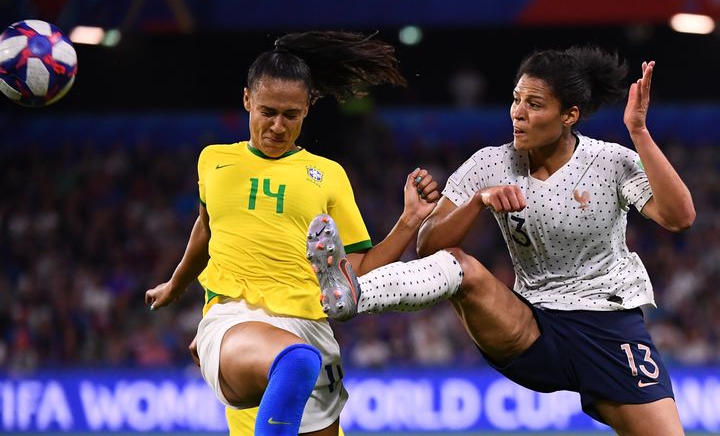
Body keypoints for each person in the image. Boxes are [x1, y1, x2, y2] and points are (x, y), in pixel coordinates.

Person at [310, 46, 695, 435]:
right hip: (531, 325)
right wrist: (478, 202)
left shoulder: (611, 161)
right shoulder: (490, 164)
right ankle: (354, 293)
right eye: (516, 99)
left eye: (534, 104)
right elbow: (427, 244)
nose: (518, 112)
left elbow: (680, 217)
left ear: (569, 116)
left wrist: (639, 132)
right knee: (459, 266)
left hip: (609, 327)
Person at [144, 30, 443, 436]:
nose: (278, 126)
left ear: (308, 109)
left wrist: (409, 220)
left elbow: (359, 266)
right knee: (295, 361)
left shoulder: (328, 175)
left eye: (291, 115)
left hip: (310, 323)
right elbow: (206, 228)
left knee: (303, 359)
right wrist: (176, 285)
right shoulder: (213, 160)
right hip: (235, 320)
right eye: (267, 111)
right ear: (247, 99)